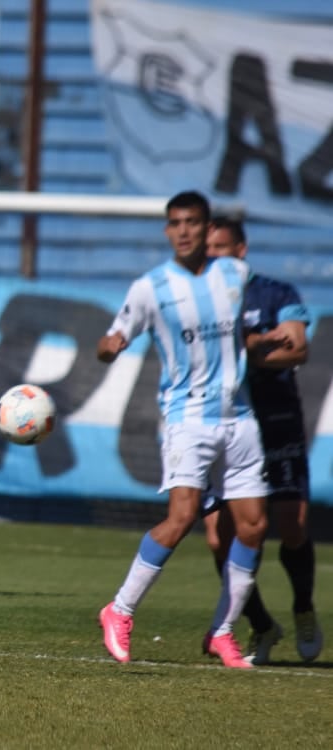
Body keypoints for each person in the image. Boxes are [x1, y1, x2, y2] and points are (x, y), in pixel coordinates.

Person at [95, 190, 269, 669]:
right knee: (182, 517)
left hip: (240, 417)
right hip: (187, 419)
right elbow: (115, 338)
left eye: (193, 221)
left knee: (253, 525)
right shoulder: (151, 287)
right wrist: (109, 346)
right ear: (168, 230)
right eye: (175, 223)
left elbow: (249, 331)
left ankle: (222, 631)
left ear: (208, 228)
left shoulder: (234, 274)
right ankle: (120, 609)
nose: (184, 230)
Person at [200, 216, 322, 664]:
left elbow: (298, 348)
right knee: (219, 539)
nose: (212, 255)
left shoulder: (274, 293)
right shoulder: (198, 298)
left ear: (241, 250)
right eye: (207, 248)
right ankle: (260, 624)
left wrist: (245, 347)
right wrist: (257, 345)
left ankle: (304, 607)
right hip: (224, 425)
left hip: (277, 422)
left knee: (291, 528)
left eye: (221, 247)